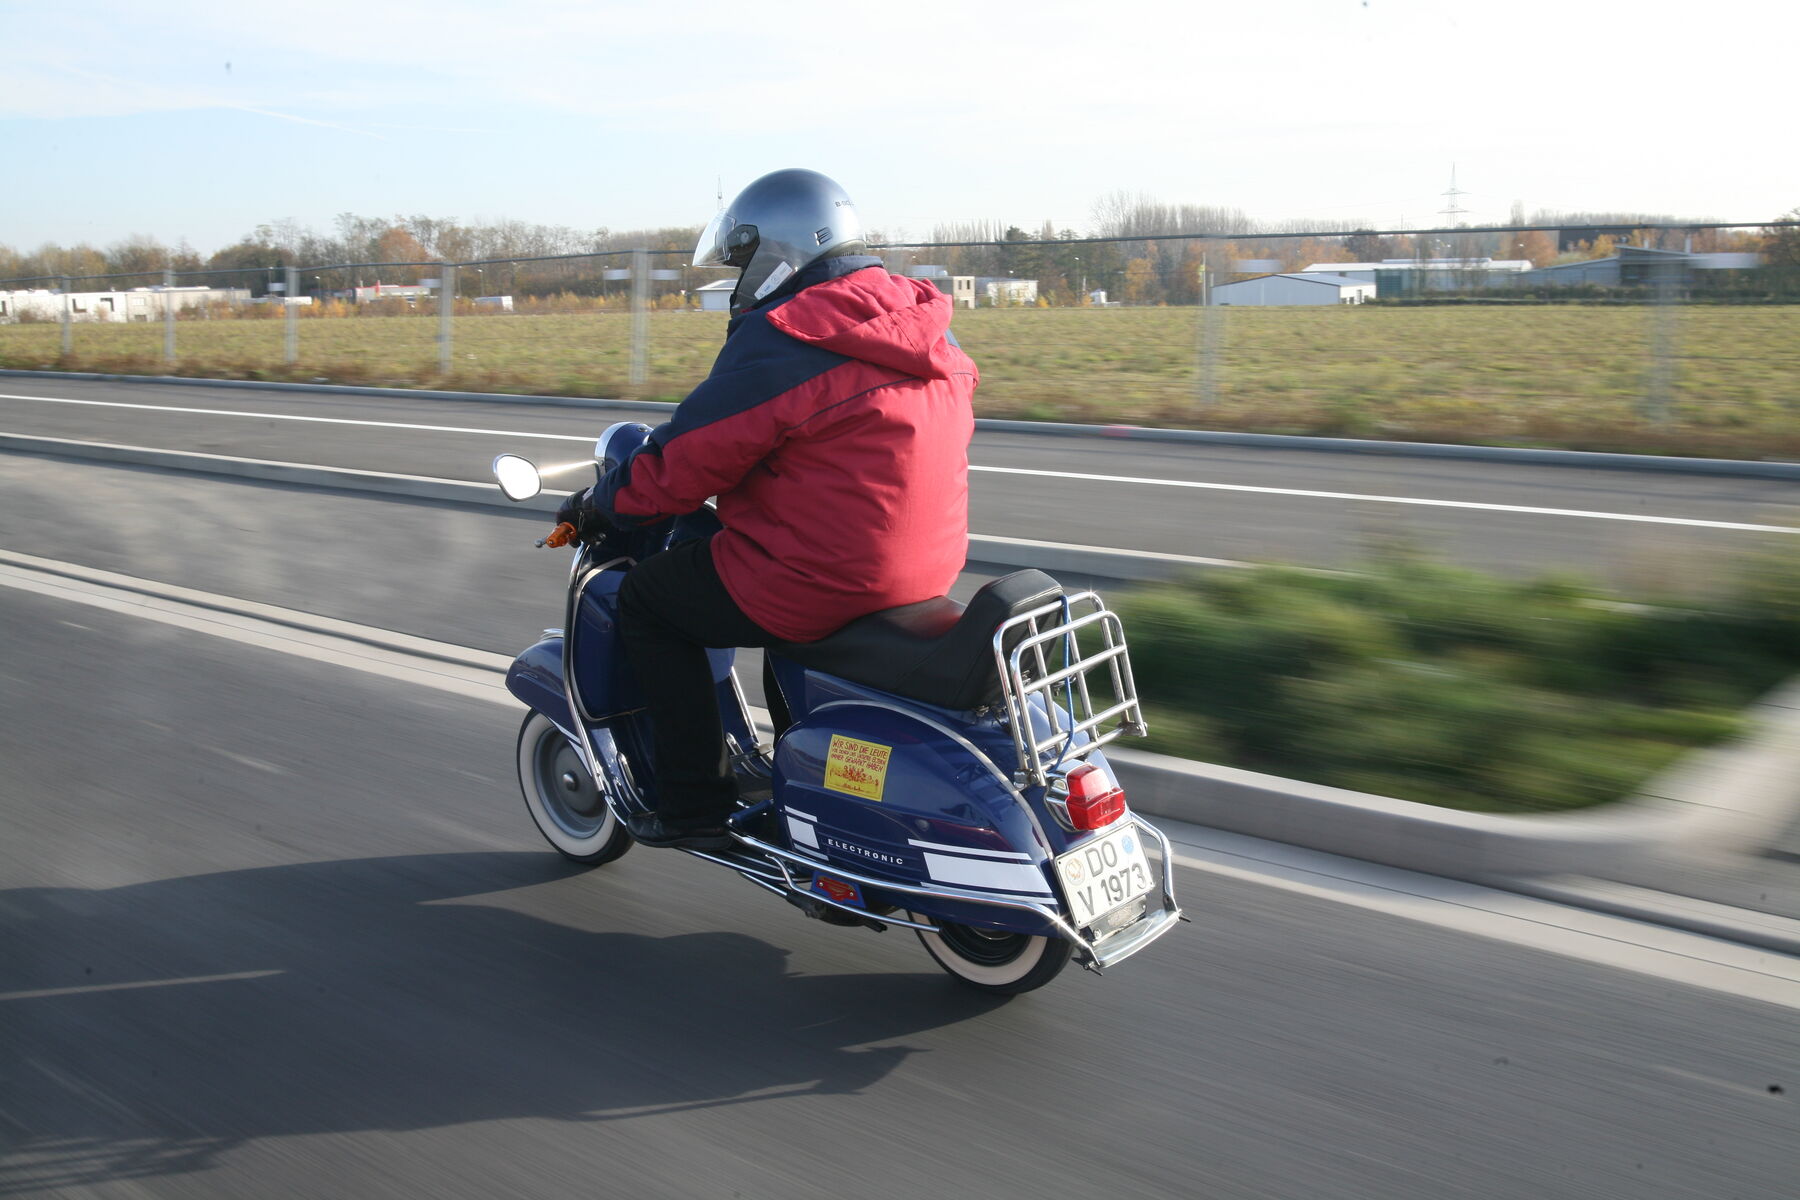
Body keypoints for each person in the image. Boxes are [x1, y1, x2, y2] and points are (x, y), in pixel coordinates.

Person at [557, 168, 978, 849]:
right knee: (761, 591)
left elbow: (686, 461)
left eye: (743, 260)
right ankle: (798, 775)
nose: (739, 280)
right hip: (923, 571)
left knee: (650, 602)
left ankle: (693, 803)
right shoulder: (928, 329)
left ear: (780, 251)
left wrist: (603, 504)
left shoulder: (791, 337)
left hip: (824, 578)